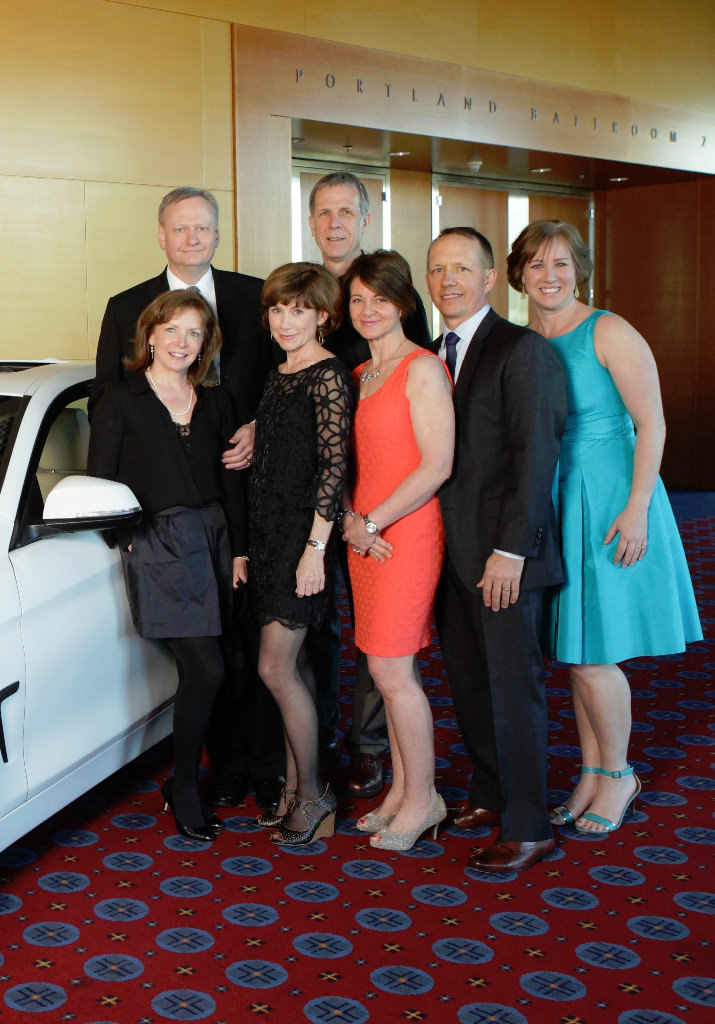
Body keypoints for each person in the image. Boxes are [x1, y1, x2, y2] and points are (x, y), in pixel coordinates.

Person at [91, 186, 284, 813]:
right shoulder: (124, 310)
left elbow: (276, 386)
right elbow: (107, 425)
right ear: (162, 234)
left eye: (203, 228)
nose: (192, 238)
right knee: (211, 663)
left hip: (238, 510)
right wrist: (130, 531)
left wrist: (257, 429)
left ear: (218, 233)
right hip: (163, 530)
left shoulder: (255, 299)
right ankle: (211, 774)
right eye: (181, 228)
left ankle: (263, 767)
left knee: (246, 650)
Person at [508, 219, 703, 835]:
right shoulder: (525, 338)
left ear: (580, 270)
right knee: (576, 648)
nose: (550, 276)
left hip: (613, 495)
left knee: (597, 655)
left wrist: (638, 505)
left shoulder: (607, 329)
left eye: (562, 264)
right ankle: (592, 773)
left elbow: (654, 424)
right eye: (537, 265)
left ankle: (619, 776)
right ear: (518, 274)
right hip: (559, 496)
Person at [428, 227, 567, 873]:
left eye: (461, 268)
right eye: (437, 269)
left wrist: (510, 551)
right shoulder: (433, 354)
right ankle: (489, 793)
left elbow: (534, 458)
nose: (448, 279)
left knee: (513, 690)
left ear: (487, 278)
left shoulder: (522, 350)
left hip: (504, 557)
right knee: (469, 683)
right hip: (450, 555)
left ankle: (529, 824)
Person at [88, 290, 246, 843]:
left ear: (206, 343)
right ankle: (183, 784)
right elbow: (99, 481)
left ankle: (200, 772)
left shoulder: (218, 401)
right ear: (150, 334)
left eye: (194, 333)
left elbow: (233, 484)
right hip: (157, 540)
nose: (181, 342)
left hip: (216, 537)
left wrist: (242, 551)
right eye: (172, 330)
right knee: (205, 668)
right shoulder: (120, 399)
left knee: (219, 662)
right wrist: (128, 540)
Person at [307, 170, 433, 800]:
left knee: (383, 639)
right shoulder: (301, 292)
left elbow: (430, 437)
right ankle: (322, 736)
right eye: (324, 212)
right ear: (312, 222)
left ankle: (371, 748)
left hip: (385, 506)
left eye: (346, 212)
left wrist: (371, 516)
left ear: (363, 219)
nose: (335, 223)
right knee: (324, 619)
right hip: (326, 498)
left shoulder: (386, 290)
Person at [340, 249, 454, 851]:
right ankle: (403, 791)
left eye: (379, 299)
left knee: (391, 669)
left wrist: (372, 523)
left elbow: (437, 465)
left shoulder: (423, 368)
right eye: (357, 299)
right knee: (386, 669)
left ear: (404, 303)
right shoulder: (361, 373)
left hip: (401, 532)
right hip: (365, 532)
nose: (367, 310)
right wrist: (355, 523)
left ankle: (423, 798)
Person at [249, 262, 353, 846]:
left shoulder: (328, 375)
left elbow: (333, 472)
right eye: (278, 310)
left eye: (299, 310)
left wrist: (316, 549)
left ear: (322, 315)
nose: (287, 321)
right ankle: (293, 788)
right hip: (267, 535)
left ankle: (314, 796)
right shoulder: (280, 373)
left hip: (302, 538)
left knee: (275, 667)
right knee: (295, 668)